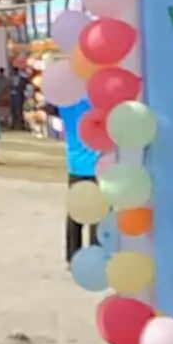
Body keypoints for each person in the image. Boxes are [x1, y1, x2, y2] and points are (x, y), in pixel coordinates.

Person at [58, 97, 102, 262]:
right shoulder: (95, 103)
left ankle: (72, 255)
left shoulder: (66, 104)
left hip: (75, 164)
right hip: (96, 164)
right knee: (98, 212)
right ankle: (96, 254)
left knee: (75, 212)